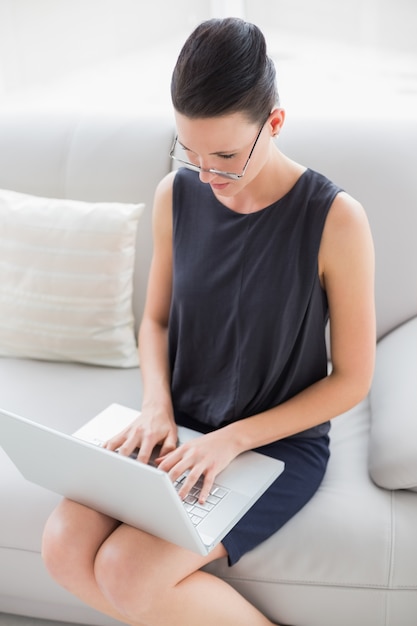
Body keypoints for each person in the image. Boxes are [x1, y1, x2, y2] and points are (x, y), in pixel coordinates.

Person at [42, 17, 375, 626]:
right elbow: (156, 322)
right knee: (62, 548)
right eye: (189, 152)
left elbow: (352, 380)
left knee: (128, 571)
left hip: (273, 444)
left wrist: (233, 439)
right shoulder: (178, 193)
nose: (208, 175)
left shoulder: (335, 219)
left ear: (274, 123)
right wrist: (155, 407)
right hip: (178, 427)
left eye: (224, 155)